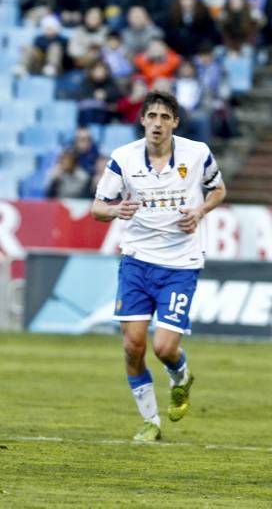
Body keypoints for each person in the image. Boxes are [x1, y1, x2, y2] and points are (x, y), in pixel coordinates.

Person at [90, 90, 226, 443]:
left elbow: (218, 190)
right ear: (143, 120)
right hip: (136, 261)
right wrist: (116, 209)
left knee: (164, 348)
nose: (157, 123)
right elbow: (97, 208)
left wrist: (199, 211)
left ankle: (181, 377)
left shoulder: (198, 154)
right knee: (133, 346)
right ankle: (150, 421)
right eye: (152, 116)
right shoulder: (124, 158)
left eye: (165, 117)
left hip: (180, 264)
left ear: (175, 123)